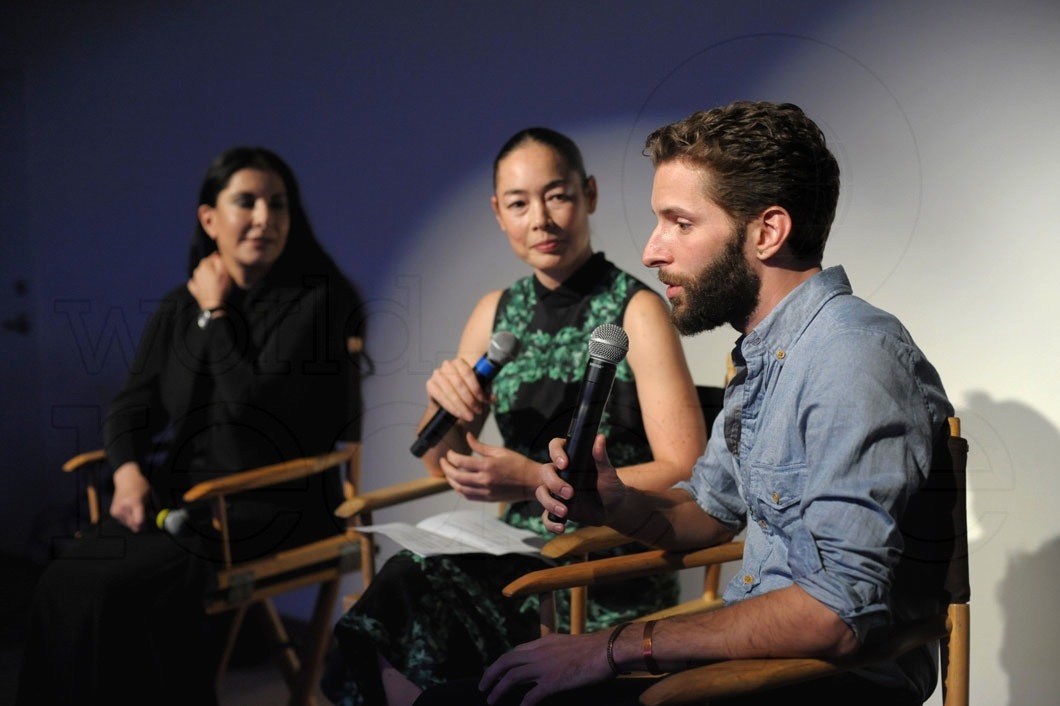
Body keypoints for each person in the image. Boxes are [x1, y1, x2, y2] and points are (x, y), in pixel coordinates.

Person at [418, 101, 954, 706]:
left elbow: (836, 613)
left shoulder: (851, 358)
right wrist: (618, 502)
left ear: (767, 231)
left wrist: (614, 645)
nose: (651, 251)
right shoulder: (763, 354)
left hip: (817, 683)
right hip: (746, 661)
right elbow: (706, 510)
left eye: (680, 223)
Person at [323, 127, 705, 706]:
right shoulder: (495, 312)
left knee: (411, 595)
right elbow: (439, 464)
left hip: (604, 562)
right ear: (498, 214)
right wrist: (447, 408)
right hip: (518, 551)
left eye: (557, 196)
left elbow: (687, 469)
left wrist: (533, 478)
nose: (541, 220)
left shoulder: (636, 309)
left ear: (589, 195)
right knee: (405, 590)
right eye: (520, 203)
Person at [16, 146, 368, 706]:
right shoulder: (180, 307)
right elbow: (131, 405)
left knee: (115, 590)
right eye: (246, 202)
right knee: (64, 581)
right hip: (185, 502)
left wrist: (216, 314)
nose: (264, 218)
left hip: (275, 505)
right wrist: (129, 472)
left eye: (278, 204)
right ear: (209, 219)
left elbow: (251, 413)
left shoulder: (320, 304)